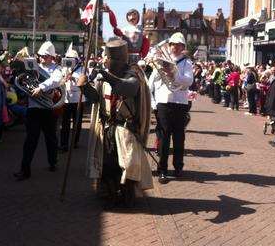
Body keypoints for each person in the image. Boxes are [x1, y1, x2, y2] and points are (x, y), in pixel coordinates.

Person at [78, 38, 153, 208]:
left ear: (118, 60)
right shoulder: (103, 75)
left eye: (108, 58)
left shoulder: (134, 74)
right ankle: (110, 194)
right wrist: (84, 87)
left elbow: (127, 88)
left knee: (127, 165)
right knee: (107, 164)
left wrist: (109, 77)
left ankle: (127, 196)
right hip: (106, 128)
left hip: (126, 129)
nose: (106, 60)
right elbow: (96, 98)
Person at [14, 41, 63, 181]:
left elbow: (56, 80)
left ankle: (53, 162)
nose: (41, 57)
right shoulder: (33, 67)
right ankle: (25, 169)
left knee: (51, 138)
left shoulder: (56, 69)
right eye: (40, 55)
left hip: (48, 109)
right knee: (30, 140)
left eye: (45, 56)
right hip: (33, 109)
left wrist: (40, 88)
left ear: (51, 57)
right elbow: (20, 78)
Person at [152, 32, 194, 184]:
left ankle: (178, 167)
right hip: (164, 102)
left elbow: (189, 81)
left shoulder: (187, 63)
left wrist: (174, 75)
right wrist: (153, 103)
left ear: (183, 47)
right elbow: (152, 83)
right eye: (173, 44)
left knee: (179, 137)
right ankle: (162, 170)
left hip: (180, 103)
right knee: (163, 138)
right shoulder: (160, 61)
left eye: (178, 45)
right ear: (169, 46)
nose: (175, 47)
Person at [59, 49, 85, 152]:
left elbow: (83, 82)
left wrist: (73, 78)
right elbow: (59, 82)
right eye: (68, 59)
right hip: (66, 99)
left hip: (78, 99)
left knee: (77, 123)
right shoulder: (63, 69)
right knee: (65, 123)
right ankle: (63, 144)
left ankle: (74, 142)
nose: (70, 61)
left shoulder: (82, 69)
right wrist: (63, 79)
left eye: (72, 59)